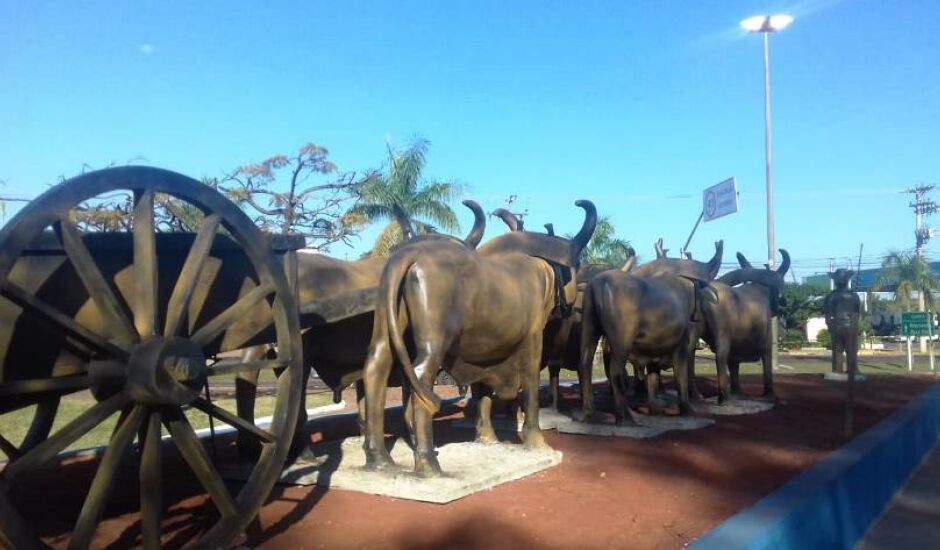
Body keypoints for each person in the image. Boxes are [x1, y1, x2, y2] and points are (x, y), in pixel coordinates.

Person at [823, 269, 861, 375]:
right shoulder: (854, 296)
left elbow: (827, 314)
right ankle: (852, 369)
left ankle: (837, 369)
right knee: (851, 350)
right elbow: (857, 314)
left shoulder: (830, 296)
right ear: (847, 280)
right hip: (851, 325)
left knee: (837, 350)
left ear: (835, 282)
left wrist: (830, 326)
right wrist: (854, 327)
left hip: (836, 325)